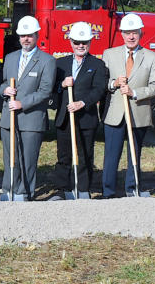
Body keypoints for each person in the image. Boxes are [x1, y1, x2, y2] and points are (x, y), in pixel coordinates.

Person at [101, 13, 155, 198]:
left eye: (134, 32)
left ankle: (132, 188)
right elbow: (101, 82)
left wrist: (135, 93)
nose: (131, 36)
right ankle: (108, 191)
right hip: (115, 113)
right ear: (122, 34)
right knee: (111, 155)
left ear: (141, 33)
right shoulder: (109, 54)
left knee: (134, 153)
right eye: (127, 32)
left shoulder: (152, 57)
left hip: (139, 113)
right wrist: (113, 84)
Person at [0, 16, 55, 200]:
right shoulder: (10, 58)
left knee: (28, 160)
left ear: (37, 35)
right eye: (23, 36)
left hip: (31, 119)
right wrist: (4, 90)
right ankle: (8, 190)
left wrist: (23, 103)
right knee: (10, 159)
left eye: (29, 35)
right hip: (9, 118)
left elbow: (45, 91)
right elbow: (2, 84)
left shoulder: (47, 61)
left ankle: (24, 193)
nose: (26, 39)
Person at [52, 22, 108, 198]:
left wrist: (83, 103)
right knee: (64, 155)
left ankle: (83, 189)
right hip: (65, 117)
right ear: (71, 42)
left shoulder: (97, 65)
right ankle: (63, 190)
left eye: (84, 42)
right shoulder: (60, 64)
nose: (81, 46)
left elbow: (99, 89)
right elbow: (51, 87)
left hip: (85, 118)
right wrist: (61, 84)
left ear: (90, 42)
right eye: (77, 42)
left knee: (84, 154)